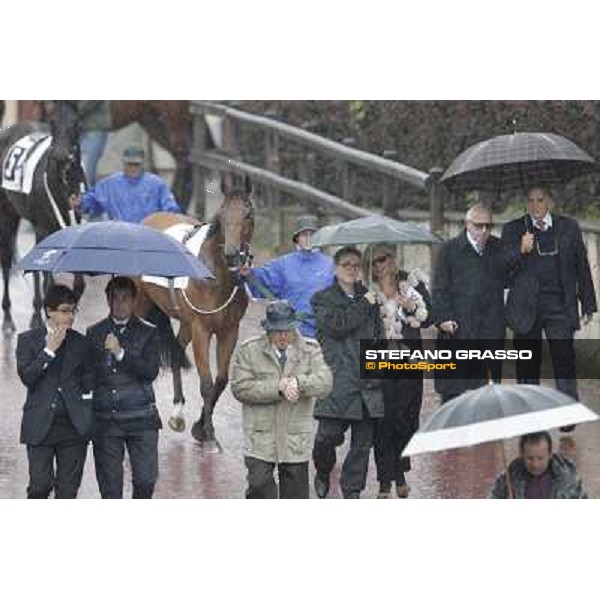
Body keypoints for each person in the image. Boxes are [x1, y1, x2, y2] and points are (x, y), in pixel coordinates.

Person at [501, 187, 597, 430]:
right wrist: (519, 251)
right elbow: (501, 273)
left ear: (550, 202)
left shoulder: (569, 227)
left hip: (559, 307)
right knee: (527, 364)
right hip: (526, 308)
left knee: (564, 360)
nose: (535, 206)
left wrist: (588, 303)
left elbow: (581, 266)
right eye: (530, 200)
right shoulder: (513, 229)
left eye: (540, 200)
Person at [230, 301, 332, 499]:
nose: (283, 336)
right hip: (260, 435)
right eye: (277, 331)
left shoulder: (310, 350)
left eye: (287, 330)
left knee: (295, 496)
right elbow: (240, 387)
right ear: (268, 330)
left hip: (295, 437)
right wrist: (278, 387)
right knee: (259, 487)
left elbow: (325, 382)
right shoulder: (249, 350)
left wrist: (298, 383)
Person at [311, 246, 384, 499]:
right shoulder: (322, 298)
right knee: (326, 439)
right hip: (337, 381)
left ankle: (352, 490)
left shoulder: (370, 298)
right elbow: (338, 326)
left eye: (356, 265)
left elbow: (378, 337)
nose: (352, 270)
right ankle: (322, 471)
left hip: (367, 383)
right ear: (336, 268)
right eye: (346, 265)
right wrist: (364, 304)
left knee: (362, 446)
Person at [16, 284, 94, 499]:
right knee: (39, 487)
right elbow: (27, 377)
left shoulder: (82, 343)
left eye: (73, 311)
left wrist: (86, 408)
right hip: (40, 425)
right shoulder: (27, 340)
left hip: (73, 428)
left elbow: (90, 380)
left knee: (68, 491)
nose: (70, 317)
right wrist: (49, 351)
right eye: (64, 310)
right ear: (49, 311)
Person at [86, 277, 162, 499]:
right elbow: (87, 375)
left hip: (142, 418)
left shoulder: (149, 332)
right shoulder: (94, 332)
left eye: (125, 299)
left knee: (145, 481)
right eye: (115, 298)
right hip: (107, 421)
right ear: (108, 300)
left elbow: (150, 372)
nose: (120, 304)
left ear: (134, 301)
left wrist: (120, 354)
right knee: (110, 490)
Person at [366, 243, 431, 499]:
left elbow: (431, 315)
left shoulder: (412, 284)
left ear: (392, 260)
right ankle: (386, 480)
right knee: (383, 421)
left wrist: (411, 307)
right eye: (372, 262)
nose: (378, 266)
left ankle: (400, 470)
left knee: (406, 420)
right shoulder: (366, 292)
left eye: (382, 260)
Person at [432, 203, 508, 403]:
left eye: (488, 226)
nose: (484, 231)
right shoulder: (448, 250)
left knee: (487, 392)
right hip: (457, 329)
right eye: (478, 225)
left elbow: (512, 276)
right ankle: (449, 432)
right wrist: (443, 318)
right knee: (452, 392)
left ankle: (485, 432)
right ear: (467, 224)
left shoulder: (498, 248)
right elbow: (439, 288)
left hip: (489, 330)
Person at [240, 215, 334, 338]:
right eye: (304, 235)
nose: (308, 238)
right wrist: (248, 273)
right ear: (297, 238)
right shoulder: (283, 264)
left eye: (312, 235)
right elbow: (261, 280)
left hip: (324, 334)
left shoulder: (332, 265)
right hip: (290, 333)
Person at [73, 145, 181, 222]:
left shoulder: (157, 184)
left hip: (149, 235)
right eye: (129, 164)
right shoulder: (110, 184)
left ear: (143, 163)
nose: (132, 168)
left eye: (136, 164)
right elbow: (92, 203)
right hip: (120, 235)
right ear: (123, 162)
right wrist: (79, 202)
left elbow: (171, 211)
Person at [489, 431, 587, 499]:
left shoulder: (569, 479)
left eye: (540, 458)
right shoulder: (507, 480)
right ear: (521, 454)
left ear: (550, 454)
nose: (535, 464)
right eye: (530, 458)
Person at [76, 100, 112, 186]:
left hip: (93, 130)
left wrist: (68, 110)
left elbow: (86, 104)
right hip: (74, 131)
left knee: (85, 175)